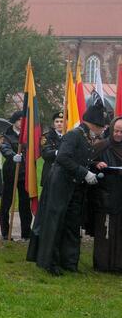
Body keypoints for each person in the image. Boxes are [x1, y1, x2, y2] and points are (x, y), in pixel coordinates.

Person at [27, 103, 107, 275]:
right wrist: (84, 172)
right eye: (102, 126)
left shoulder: (85, 137)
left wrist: (92, 165)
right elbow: (63, 158)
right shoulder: (74, 135)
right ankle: (51, 263)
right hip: (61, 184)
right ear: (95, 124)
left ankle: (69, 262)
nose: (103, 130)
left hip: (75, 186)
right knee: (56, 223)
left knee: (72, 225)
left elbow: (79, 158)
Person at [89, 116, 122, 272]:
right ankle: (103, 264)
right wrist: (96, 164)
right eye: (116, 130)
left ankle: (118, 264)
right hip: (105, 195)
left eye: (121, 132)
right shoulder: (102, 146)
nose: (118, 134)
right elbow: (87, 162)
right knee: (105, 230)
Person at [0, 111, 32, 240]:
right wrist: (13, 156)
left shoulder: (27, 135)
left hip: (25, 173)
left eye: (24, 120)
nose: (22, 123)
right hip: (11, 172)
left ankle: (26, 233)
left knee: (25, 204)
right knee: (6, 203)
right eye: (19, 120)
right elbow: (4, 148)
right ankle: (6, 232)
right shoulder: (6, 135)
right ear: (14, 121)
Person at [40, 112, 64, 188]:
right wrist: (57, 152)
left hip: (65, 173)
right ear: (53, 123)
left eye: (61, 121)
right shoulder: (47, 136)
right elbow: (45, 154)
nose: (59, 124)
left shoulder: (70, 136)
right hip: (51, 172)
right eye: (57, 122)